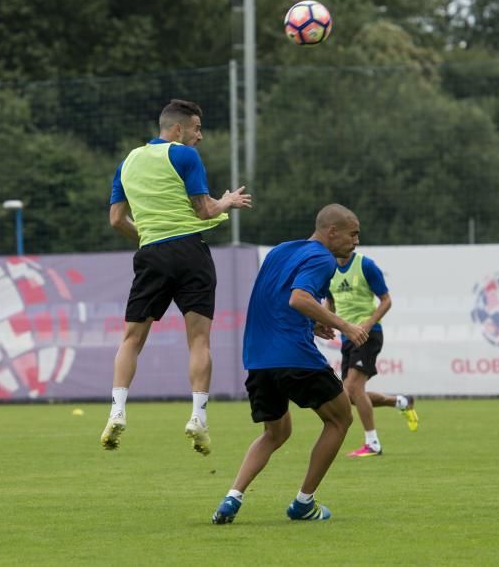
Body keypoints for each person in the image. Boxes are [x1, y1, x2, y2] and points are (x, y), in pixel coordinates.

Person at [100, 99, 252, 455]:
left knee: (131, 339)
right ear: (178, 129)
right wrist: (227, 201)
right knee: (199, 341)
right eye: (197, 128)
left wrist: (152, 238)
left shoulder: (127, 163)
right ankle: (198, 416)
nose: (200, 136)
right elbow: (204, 210)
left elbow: (116, 221)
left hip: (152, 253)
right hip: (190, 252)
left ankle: (117, 411)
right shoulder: (184, 156)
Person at [210, 204, 368, 525]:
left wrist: (312, 325)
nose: (356, 242)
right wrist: (344, 325)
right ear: (332, 232)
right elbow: (298, 298)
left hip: (258, 358)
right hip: (293, 356)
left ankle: (232, 498)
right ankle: (303, 503)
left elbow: (276, 300)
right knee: (340, 419)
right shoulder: (324, 259)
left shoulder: (280, 251)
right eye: (353, 234)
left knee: (276, 432)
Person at [325, 251, 418, 458]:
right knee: (349, 396)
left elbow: (386, 300)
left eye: (355, 235)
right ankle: (400, 402)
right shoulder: (328, 269)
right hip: (347, 338)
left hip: (368, 335)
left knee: (353, 387)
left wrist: (368, 323)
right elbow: (329, 303)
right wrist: (323, 322)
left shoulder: (365, 265)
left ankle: (373, 443)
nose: (353, 240)